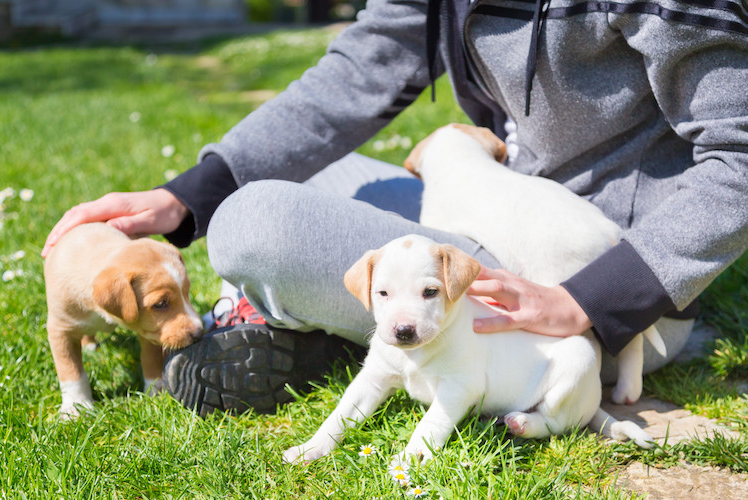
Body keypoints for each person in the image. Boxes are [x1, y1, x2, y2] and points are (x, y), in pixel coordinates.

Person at [43, 0, 748, 415]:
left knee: (258, 224)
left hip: (584, 270)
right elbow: (362, 69)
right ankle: (343, 327)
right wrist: (184, 196)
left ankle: (321, 333)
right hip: (486, 214)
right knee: (283, 187)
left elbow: (740, 157)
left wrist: (593, 300)